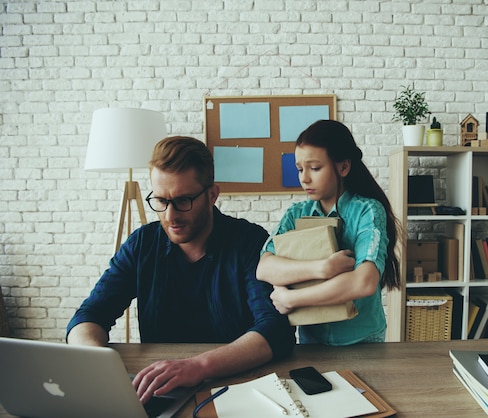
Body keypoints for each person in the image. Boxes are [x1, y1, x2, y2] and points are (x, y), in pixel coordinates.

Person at [67, 136, 294, 403]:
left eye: (183, 201)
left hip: (237, 388)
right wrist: (98, 365)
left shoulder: (248, 242)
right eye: (161, 201)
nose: (170, 215)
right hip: (160, 391)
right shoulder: (142, 244)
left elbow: (275, 331)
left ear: (212, 195)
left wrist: (198, 366)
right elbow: (89, 315)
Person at [256, 119, 401, 345]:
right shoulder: (296, 213)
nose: (304, 178)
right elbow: (265, 267)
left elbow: (364, 282)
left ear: (343, 167)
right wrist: (323, 268)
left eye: (314, 168)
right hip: (310, 341)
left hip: (362, 341)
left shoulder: (368, 210)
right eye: (299, 169)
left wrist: (291, 299)